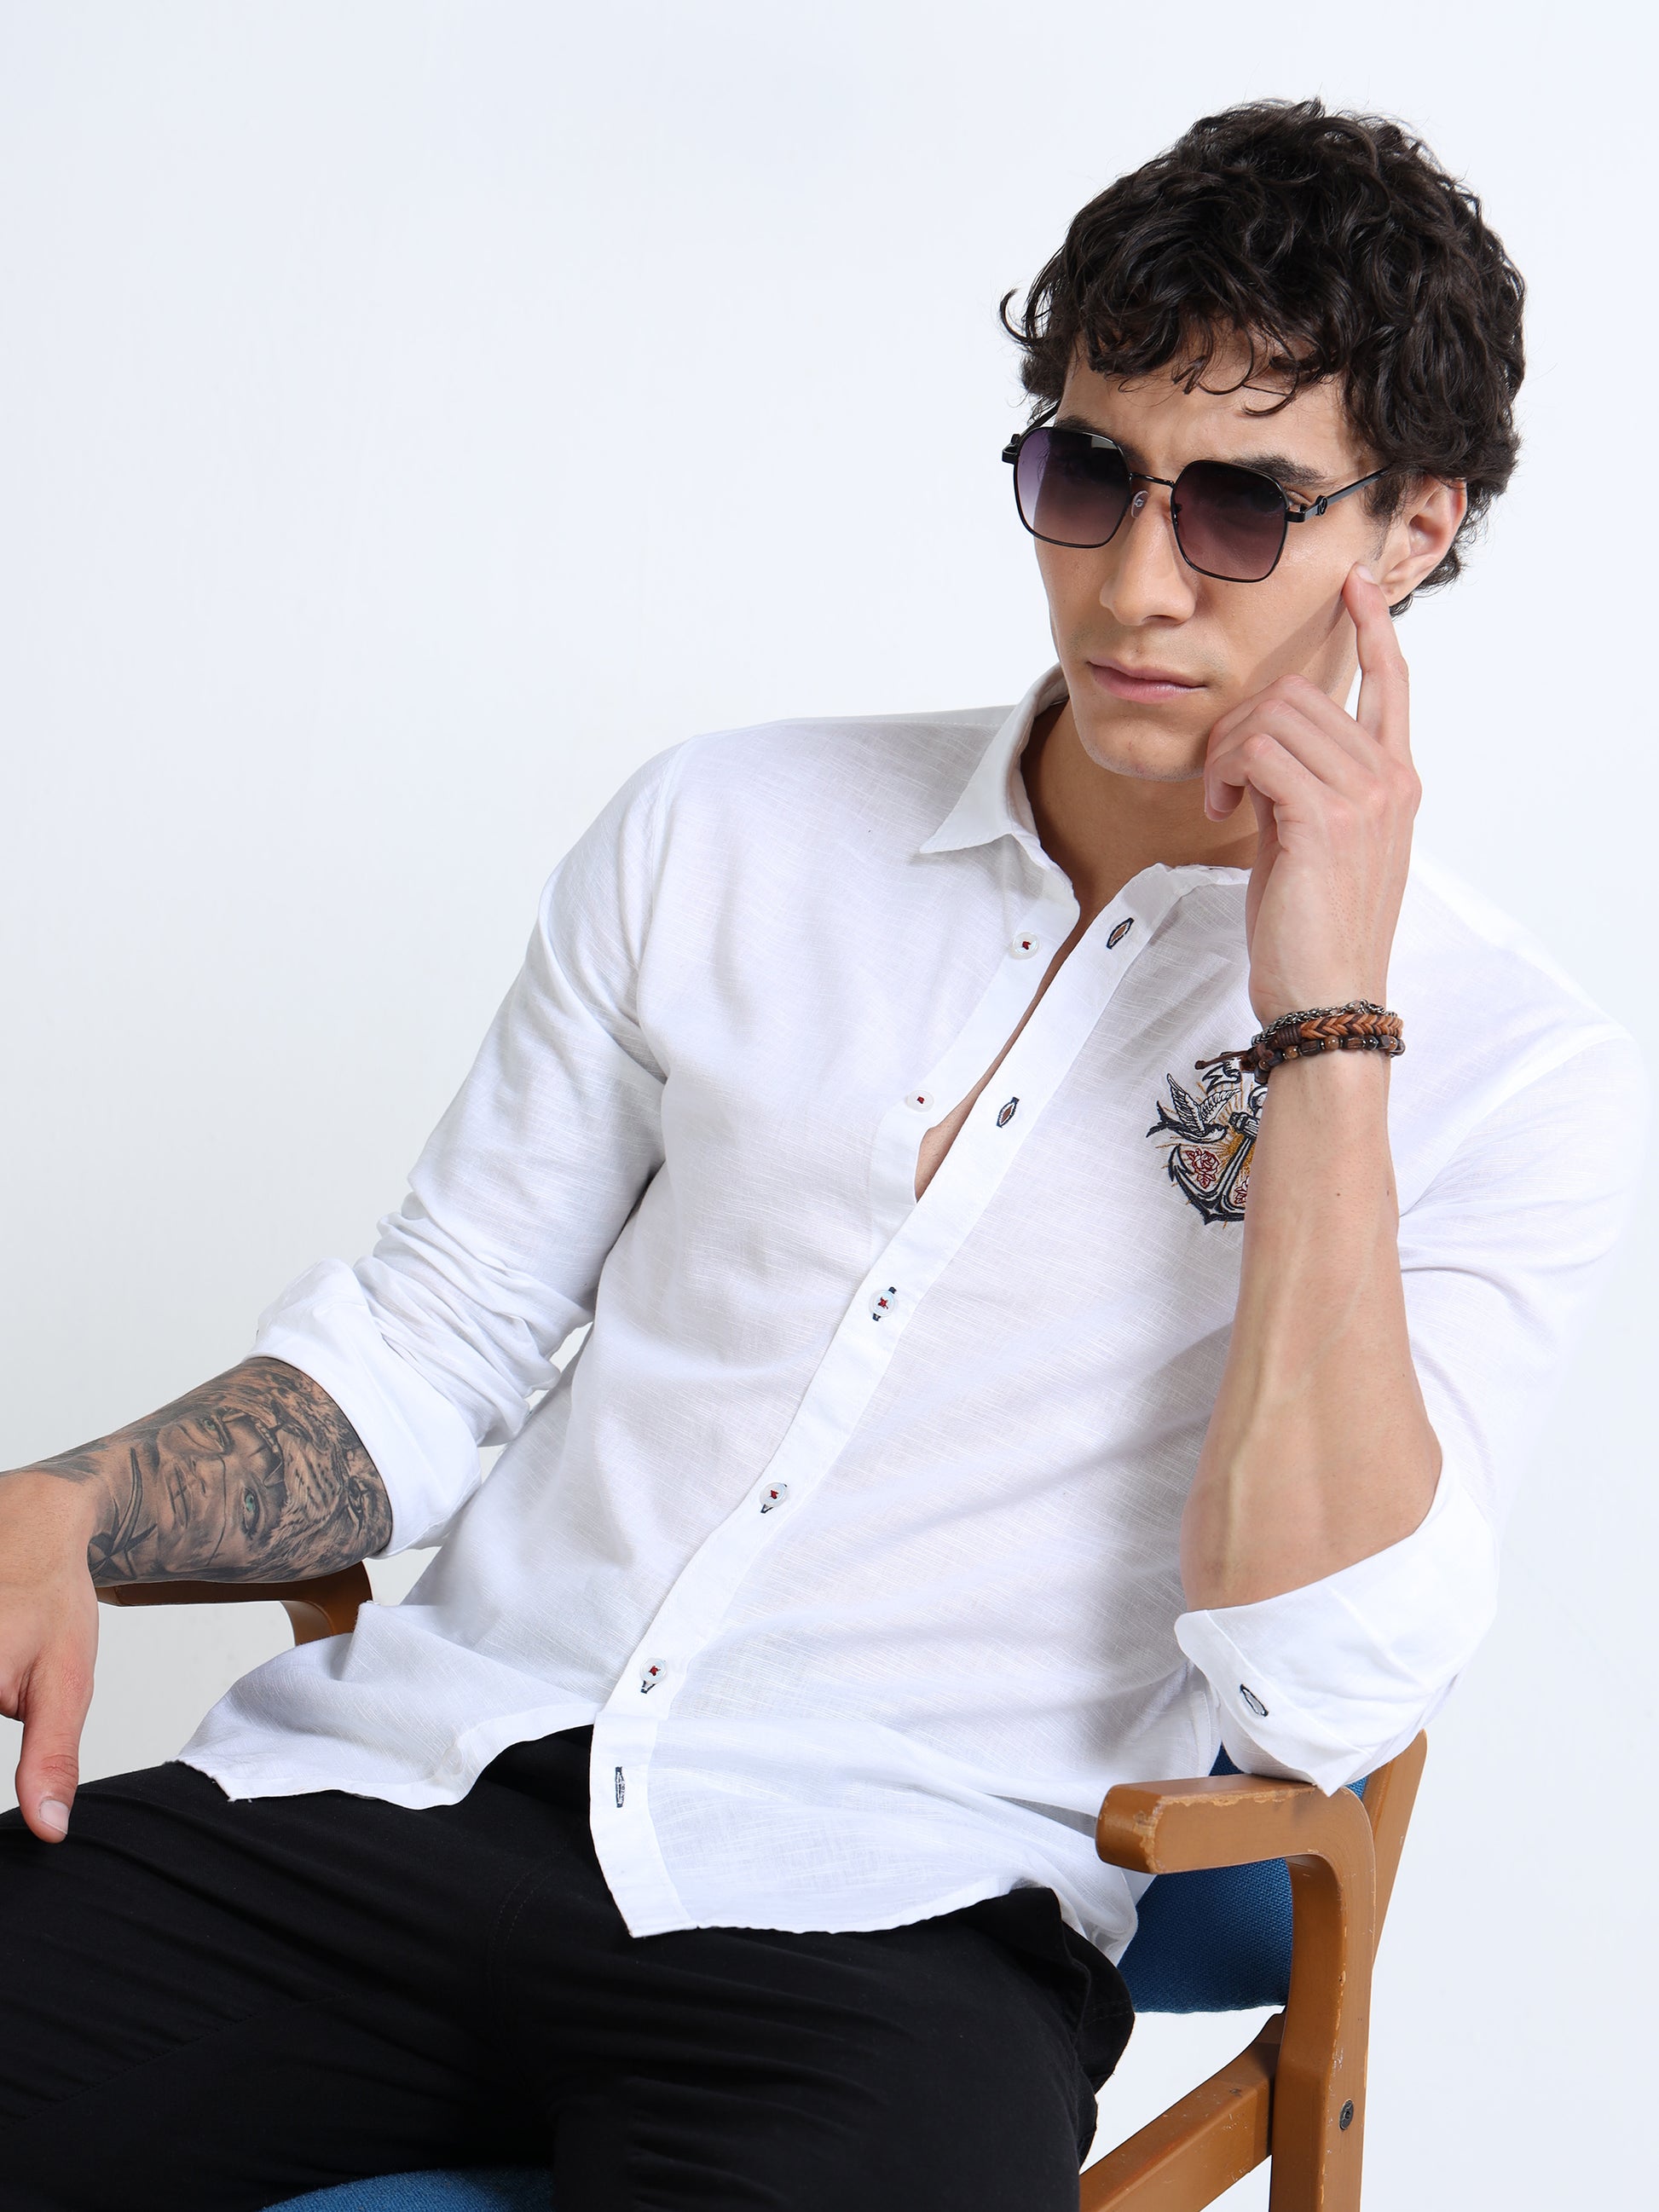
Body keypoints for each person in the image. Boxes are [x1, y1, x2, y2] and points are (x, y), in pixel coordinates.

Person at [0, 98, 1642, 2212]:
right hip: (402, 1800)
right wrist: (79, 1502)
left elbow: (1321, 1681)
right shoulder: (728, 830)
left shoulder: (1515, 1065)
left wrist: (1322, 1018)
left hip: (899, 1930)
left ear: (1411, 528)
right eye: (1084, 473)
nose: (1134, 583)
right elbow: (438, 1335)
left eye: (1242, 507)